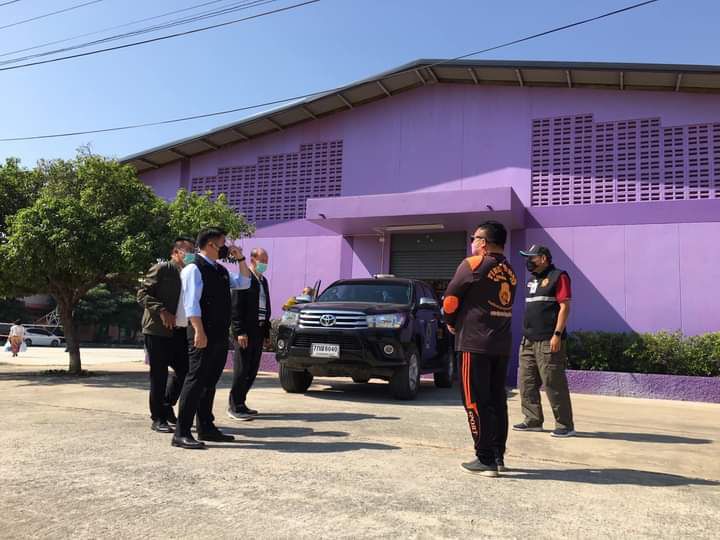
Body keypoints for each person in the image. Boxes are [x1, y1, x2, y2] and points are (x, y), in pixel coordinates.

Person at [443, 221, 518, 477]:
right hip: (501, 344)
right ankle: (497, 456)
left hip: (474, 343)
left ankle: (484, 459)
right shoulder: (510, 270)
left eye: (474, 238)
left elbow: (450, 299)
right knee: (497, 400)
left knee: (474, 400)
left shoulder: (473, 264)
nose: (472, 242)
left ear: (483, 243)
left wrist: (450, 322)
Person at [171, 228, 251, 450]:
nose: (226, 247)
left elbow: (244, 282)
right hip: (202, 333)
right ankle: (181, 432)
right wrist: (198, 330)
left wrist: (241, 259)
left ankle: (206, 426)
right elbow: (191, 303)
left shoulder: (220, 270)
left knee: (209, 382)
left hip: (218, 334)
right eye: (223, 243)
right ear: (210, 245)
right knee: (195, 380)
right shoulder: (194, 268)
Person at [515, 245, 575, 438]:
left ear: (543, 258)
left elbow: (565, 307)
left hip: (549, 340)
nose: (528, 261)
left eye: (531, 257)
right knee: (526, 381)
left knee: (553, 382)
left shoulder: (559, 276)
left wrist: (557, 334)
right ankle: (533, 420)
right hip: (528, 340)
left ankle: (565, 425)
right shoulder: (532, 281)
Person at [137, 236, 195, 434]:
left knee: (185, 370)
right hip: (157, 330)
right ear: (176, 252)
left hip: (179, 330)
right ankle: (158, 417)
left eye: (193, 250)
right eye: (187, 250)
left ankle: (167, 404)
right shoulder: (162, 269)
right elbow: (142, 294)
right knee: (159, 375)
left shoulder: (189, 273)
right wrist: (161, 310)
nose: (191, 254)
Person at [227, 248, 271, 420]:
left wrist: (266, 333)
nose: (264, 264)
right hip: (245, 331)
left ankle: (241, 402)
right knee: (242, 369)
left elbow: (266, 307)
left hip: (259, 330)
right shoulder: (245, 278)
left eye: (266, 261)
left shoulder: (263, 281)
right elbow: (236, 307)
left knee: (252, 369)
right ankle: (234, 406)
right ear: (252, 260)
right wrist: (239, 331)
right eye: (262, 260)